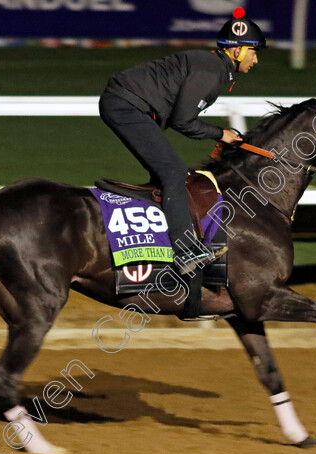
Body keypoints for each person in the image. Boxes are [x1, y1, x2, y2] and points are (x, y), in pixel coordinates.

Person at [99, 8, 266, 275]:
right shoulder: (211, 72)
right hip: (126, 106)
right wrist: (221, 134)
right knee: (174, 172)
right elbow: (183, 121)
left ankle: (158, 239)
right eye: (254, 52)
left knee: (169, 173)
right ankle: (185, 251)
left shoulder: (212, 67)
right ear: (238, 52)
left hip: (129, 103)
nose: (256, 61)